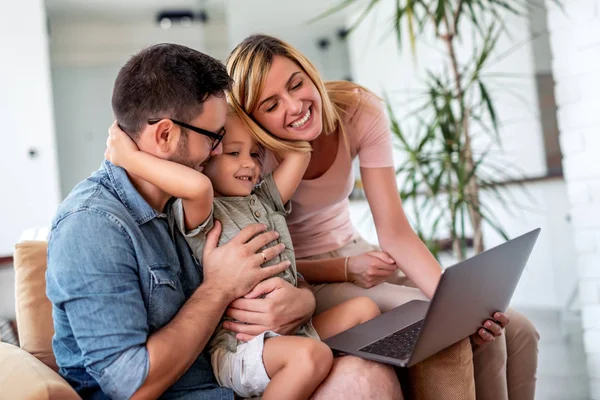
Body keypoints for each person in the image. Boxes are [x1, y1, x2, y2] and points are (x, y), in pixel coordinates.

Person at [46, 43, 401, 400]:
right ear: (166, 135)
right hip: (206, 385)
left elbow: (272, 272)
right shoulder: (93, 226)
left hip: (242, 376)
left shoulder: (198, 203)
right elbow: (132, 386)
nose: (219, 152)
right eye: (215, 138)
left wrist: (301, 302)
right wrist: (219, 288)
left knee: (369, 374)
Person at [225, 34, 540, 400]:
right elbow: (266, 263)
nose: (295, 105)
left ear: (310, 73)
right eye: (271, 104)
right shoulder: (249, 154)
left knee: (515, 330)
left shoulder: (357, 111)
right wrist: (345, 268)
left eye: (297, 84)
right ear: (253, 118)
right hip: (305, 276)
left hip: (358, 251)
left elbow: (394, 229)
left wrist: (453, 301)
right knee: (439, 324)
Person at [105, 107, 383, 400]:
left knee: (365, 310)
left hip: (292, 330)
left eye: (255, 154)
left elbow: (300, 152)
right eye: (234, 153)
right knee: (310, 356)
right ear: (207, 157)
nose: (249, 164)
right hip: (240, 347)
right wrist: (130, 158)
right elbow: (198, 186)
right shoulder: (202, 210)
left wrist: (258, 122)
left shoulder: (264, 200)